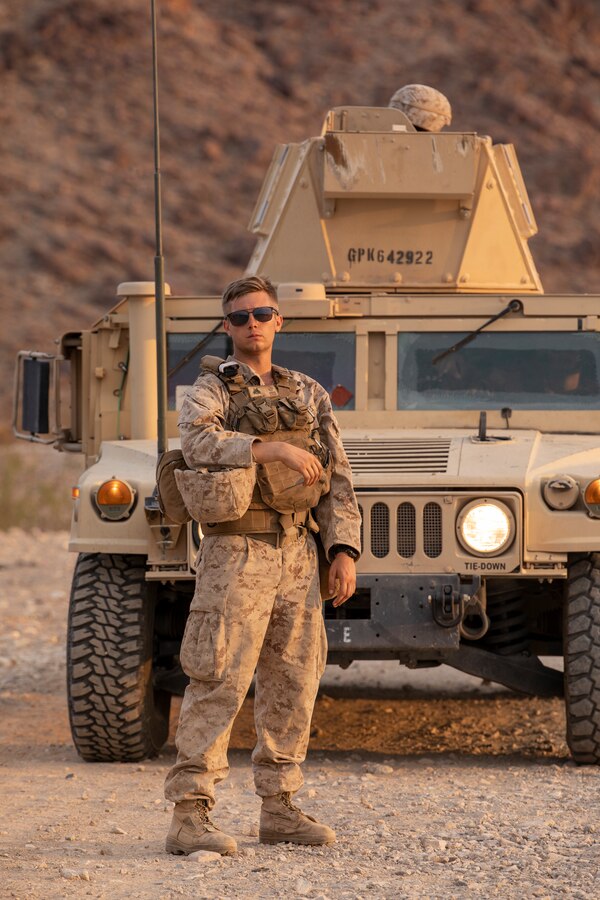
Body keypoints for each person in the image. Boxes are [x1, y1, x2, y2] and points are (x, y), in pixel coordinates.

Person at [164, 275, 362, 856]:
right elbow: (197, 443)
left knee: (294, 680)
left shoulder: (307, 393)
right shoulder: (209, 390)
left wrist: (342, 550)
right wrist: (268, 448)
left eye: (262, 314)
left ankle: (279, 807)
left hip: (298, 553)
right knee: (218, 676)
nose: (252, 324)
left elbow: (338, 477)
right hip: (236, 553)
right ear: (228, 327)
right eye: (240, 317)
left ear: (279, 322)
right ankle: (190, 814)